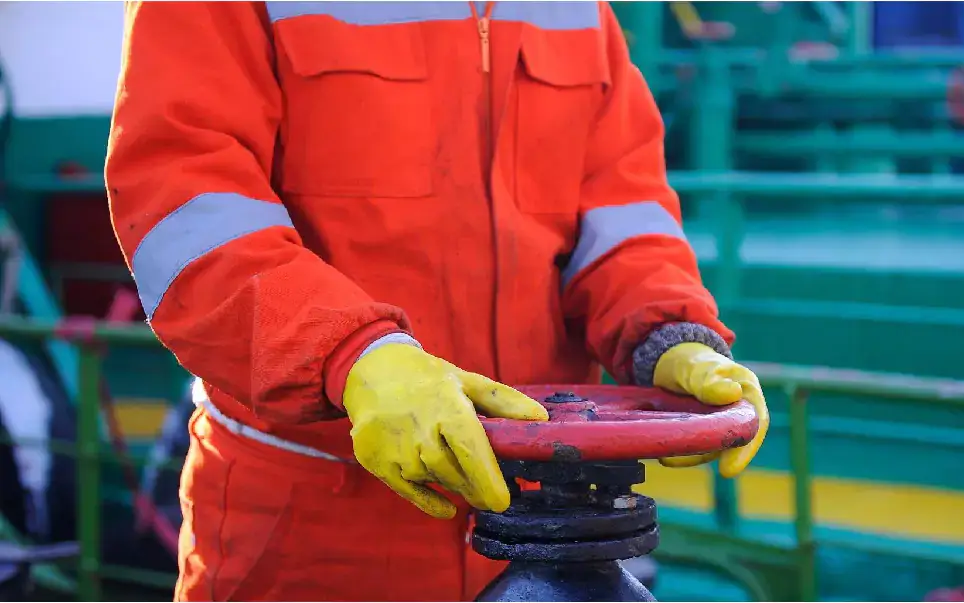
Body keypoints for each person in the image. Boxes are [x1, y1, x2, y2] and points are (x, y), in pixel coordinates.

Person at [105, 2, 770, 601]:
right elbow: (185, 208)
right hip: (311, 534)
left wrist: (668, 330)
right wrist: (352, 356)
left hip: (544, 531)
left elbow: (620, 212)